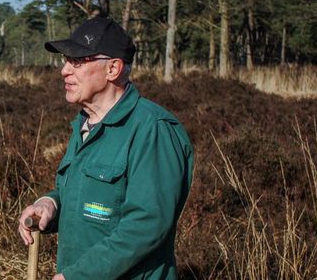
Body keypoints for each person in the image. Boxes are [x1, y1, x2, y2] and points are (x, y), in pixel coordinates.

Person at [17, 15, 194, 280]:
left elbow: (146, 225)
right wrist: (50, 204)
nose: (64, 70)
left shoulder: (152, 130)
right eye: (66, 60)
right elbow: (93, 201)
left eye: (77, 61)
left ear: (113, 68)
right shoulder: (86, 126)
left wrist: (79, 276)